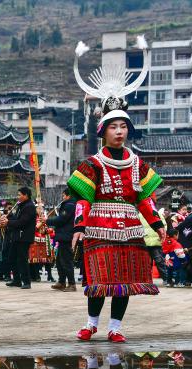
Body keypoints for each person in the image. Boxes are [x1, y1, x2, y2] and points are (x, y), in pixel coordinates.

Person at [69, 37, 164, 343]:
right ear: (104, 131)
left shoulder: (138, 163)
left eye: (123, 126)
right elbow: (84, 199)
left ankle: (116, 327)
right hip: (99, 226)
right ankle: (91, 323)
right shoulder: (93, 163)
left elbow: (145, 199)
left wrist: (158, 224)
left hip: (130, 228)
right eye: (113, 127)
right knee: (100, 279)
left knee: (124, 280)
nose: (119, 131)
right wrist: (79, 228)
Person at [0, 187, 37, 288]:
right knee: (11, 258)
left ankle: (26, 282)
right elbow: (16, 219)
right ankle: (16, 280)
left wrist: (8, 222)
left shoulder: (29, 207)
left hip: (24, 237)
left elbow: (23, 222)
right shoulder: (21, 205)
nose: (18, 196)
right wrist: (7, 218)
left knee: (22, 259)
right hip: (17, 236)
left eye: (20, 195)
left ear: (26, 195)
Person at [48, 189, 77, 291]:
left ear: (68, 196)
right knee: (60, 261)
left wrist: (47, 220)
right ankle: (61, 282)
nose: (62, 197)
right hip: (63, 235)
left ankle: (72, 284)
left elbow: (61, 220)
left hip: (66, 236)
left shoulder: (69, 205)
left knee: (66, 261)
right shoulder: (68, 204)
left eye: (64, 195)